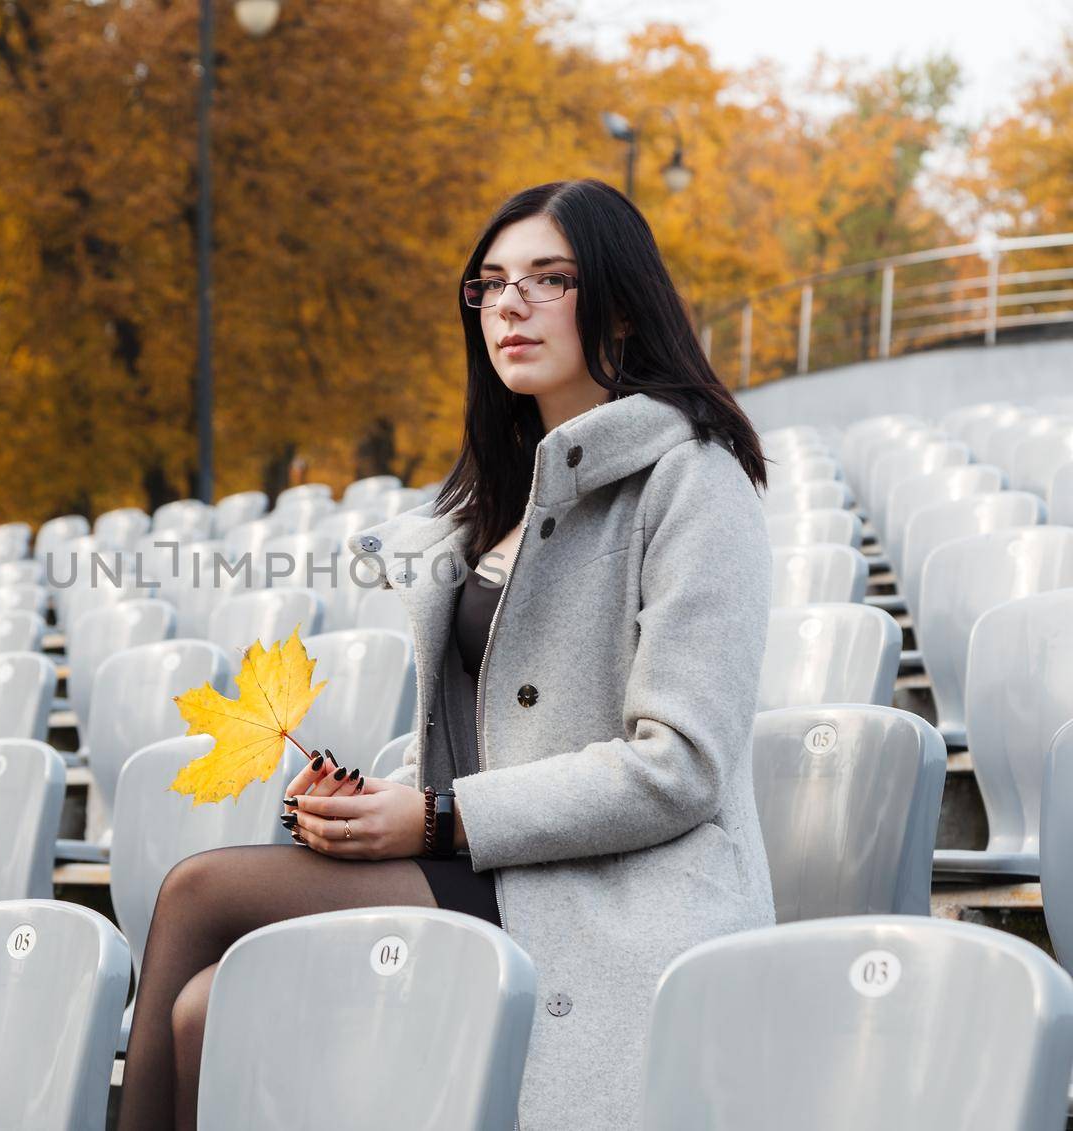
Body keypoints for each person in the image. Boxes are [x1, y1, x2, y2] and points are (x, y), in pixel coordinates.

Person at [114, 177, 776, 1130]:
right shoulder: (497, 501)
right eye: (492, 284)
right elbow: (480, 737)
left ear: (623, 307)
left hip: (614, 897)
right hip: (499, 872)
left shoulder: (694, 479)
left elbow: (683, 767)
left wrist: (432, 818)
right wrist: (365, 796)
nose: (509, 305)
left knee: (200, 892)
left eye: (549, 279)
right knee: (204, 1008)